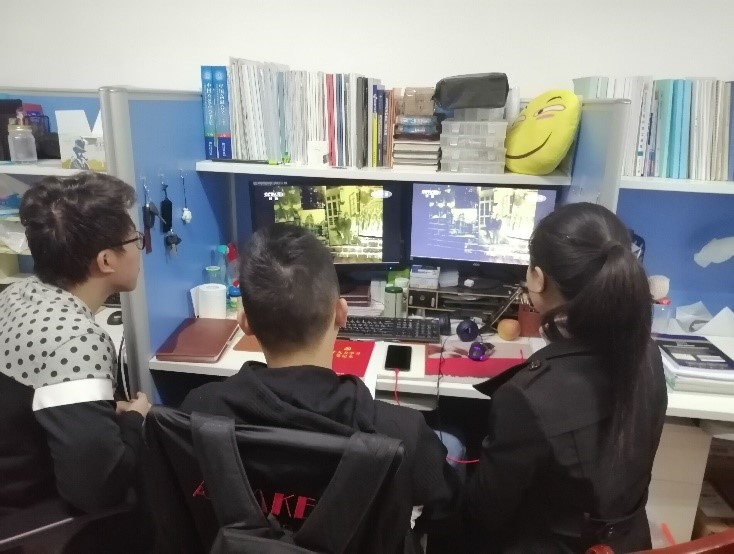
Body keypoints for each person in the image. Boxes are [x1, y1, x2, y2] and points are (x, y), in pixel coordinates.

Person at [181, 224, 461, 545]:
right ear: (341, 313)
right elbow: (447, 508)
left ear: (245, 323)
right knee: (454, 443)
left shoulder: (198, 412)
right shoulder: (402, 433)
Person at [465, 202, 667, 553]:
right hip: (630, 542)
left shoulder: (528, 396)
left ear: (537, 278)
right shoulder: (648, 354)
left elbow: (485, 515)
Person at [0, 173, 151, 546]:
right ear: (106, 260)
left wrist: (99, 411)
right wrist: (135, 421)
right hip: (33, 523)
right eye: (135, 241)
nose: (139, 250)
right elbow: (98, 489)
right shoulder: (76, 341)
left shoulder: (16, 296)